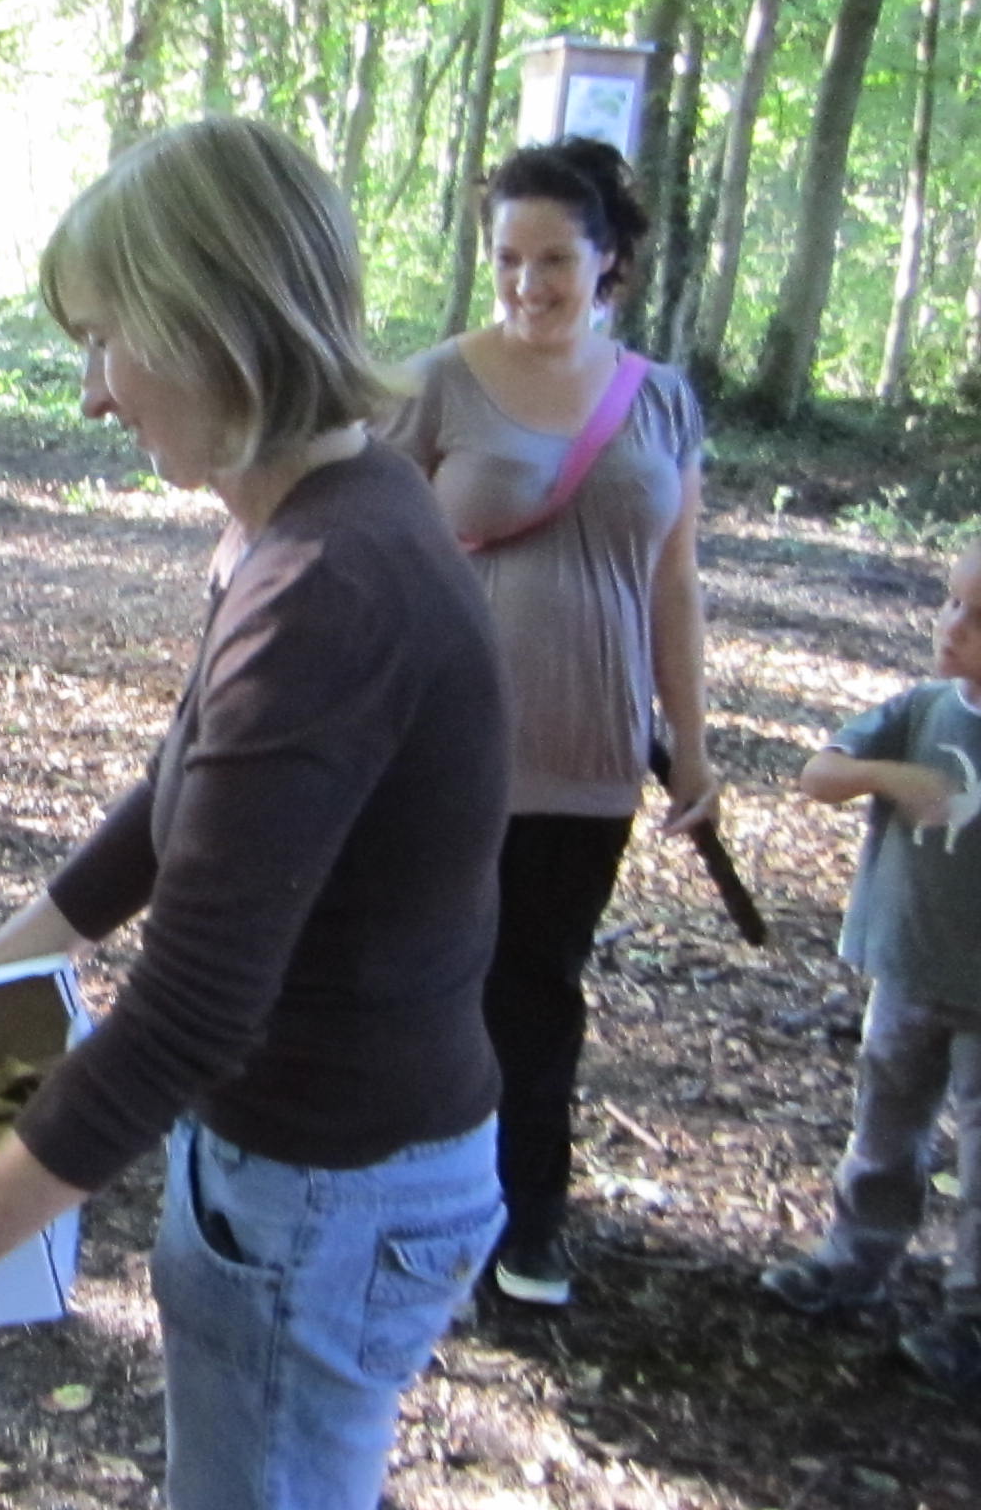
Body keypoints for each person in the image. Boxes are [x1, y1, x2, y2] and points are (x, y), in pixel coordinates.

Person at [0, 117, 510, 1510]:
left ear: (210, 322)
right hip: (314, 1166)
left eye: (104, 339)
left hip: (328, 1187)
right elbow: (180, 791)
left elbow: (191, 1013)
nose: (91, 395)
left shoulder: (326, 586)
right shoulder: (298, 524)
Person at [378, 135, 719, 1307]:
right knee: (434, 978)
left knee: (537, 989)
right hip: (442, 753)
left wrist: (691, 744)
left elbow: (673, 585)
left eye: (554, 260)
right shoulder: (434, 385)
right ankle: (413, 1209)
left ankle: (527, 1221)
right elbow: (362, 553)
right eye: (506, 260)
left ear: (607, 259)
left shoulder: (660, 402)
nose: (527, 284)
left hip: (588, 755)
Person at [759, 539, 981, 1394]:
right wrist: (893, 778)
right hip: (911, 969)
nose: (953, 625)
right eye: (951, 602)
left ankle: (971, 1316)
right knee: (886, 1125)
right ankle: (855, 1260)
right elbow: (819, 775)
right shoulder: (922, 711)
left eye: (979, 616)